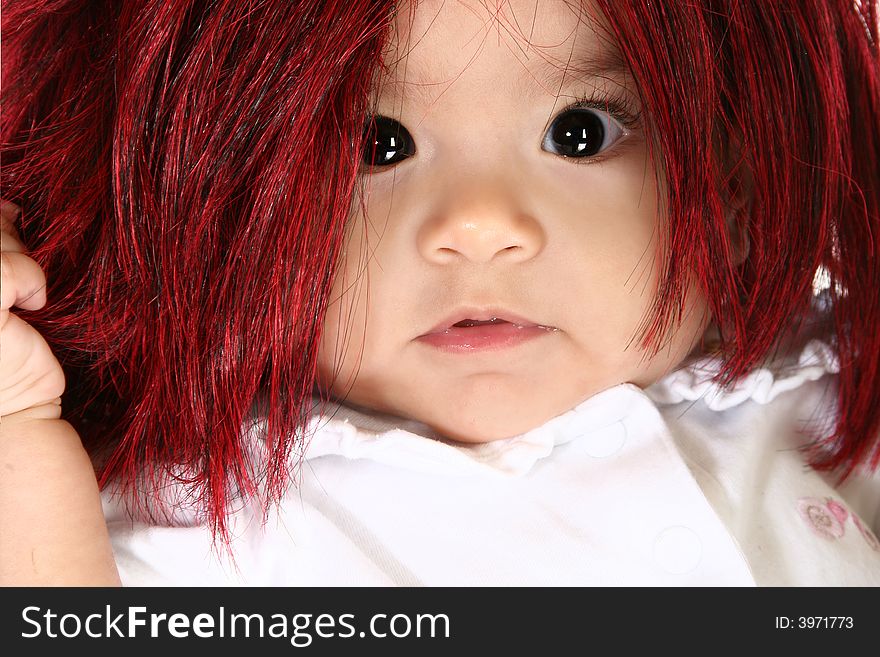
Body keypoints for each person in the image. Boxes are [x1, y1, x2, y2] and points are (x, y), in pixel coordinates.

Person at [1, 0, 878, 586]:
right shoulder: (221, 517)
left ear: (726, 181)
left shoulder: (821, 398)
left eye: (579, 133)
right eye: (377, 146)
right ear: (230, 199)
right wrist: (20, 435)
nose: (479, 225)